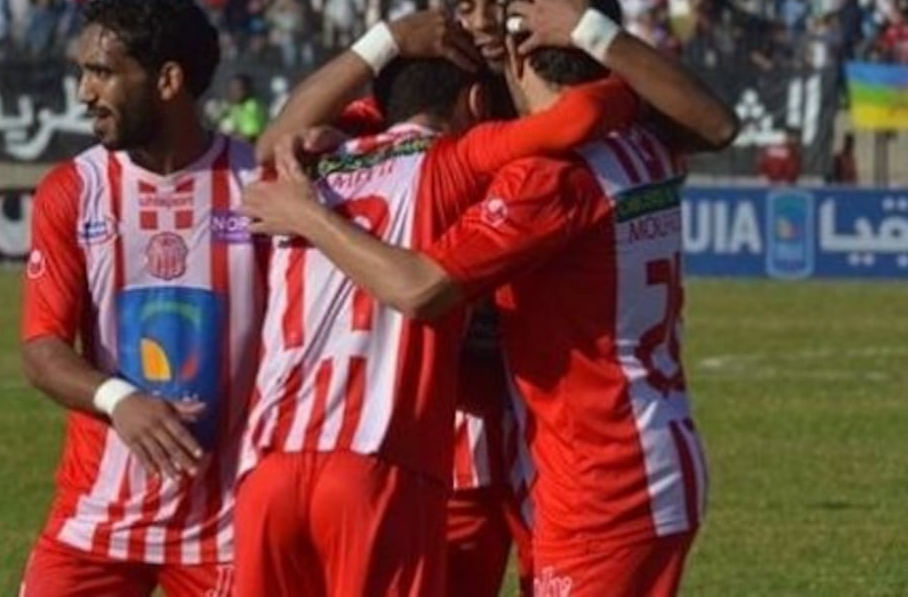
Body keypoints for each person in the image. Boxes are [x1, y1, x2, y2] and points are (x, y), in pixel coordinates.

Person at [257, 0, 735, 596]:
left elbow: (691, 124)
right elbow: (277, 144)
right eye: (464, 3)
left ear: (538, 14)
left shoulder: (575, 129)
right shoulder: (446, 89)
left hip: (565, 437)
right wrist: (387, 41)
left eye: (500, 1)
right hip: (472, 423)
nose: (480, 21)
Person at [233, 50, 638, 597]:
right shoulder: (453, 161)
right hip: (375, 464)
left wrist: (382, 42)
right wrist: (624, 73)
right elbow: (579, 117)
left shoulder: (295, 169)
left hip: (267, 468)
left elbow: (279, 135)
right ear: (475, 101)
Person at [18, 0, 262, 597]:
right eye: (83, 72)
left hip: (226, 524)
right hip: (96, 521)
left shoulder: (260, 184)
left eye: (102, 72)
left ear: (168, 81)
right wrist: (117, 398)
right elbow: (42, 349)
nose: (84, 93)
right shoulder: (72, 191)